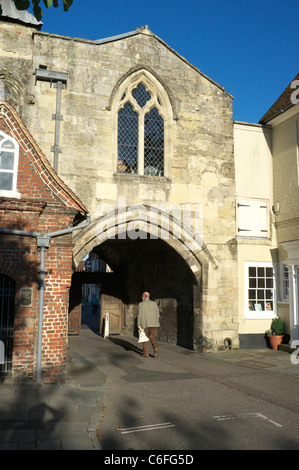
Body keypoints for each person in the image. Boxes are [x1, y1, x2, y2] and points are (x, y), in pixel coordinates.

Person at [137, 291, 160, 358]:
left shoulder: (141, 304)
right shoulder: (154, 304)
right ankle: (155, 348)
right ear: (148, 297)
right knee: (153, 337)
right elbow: (157, 314)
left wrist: (139, 324)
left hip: (145, 324)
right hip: (153, 324)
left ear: (144, 297)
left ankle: (146, 353)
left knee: (145, 338)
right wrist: (156, 322)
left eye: (142, 297)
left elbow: (139, 315)